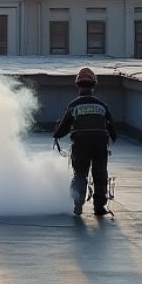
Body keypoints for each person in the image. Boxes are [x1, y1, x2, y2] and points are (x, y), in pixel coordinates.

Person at [52, 67, 117, 216]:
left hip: (80, 145)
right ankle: (99, 207)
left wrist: (56, 133)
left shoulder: (73, 106)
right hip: (100, 144)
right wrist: (112, 137)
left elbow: (62, 129)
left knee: (80, 174)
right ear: (93, 86)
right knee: (100, 174)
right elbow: (112, 129)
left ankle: (78, 204)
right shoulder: (102, 105)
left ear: (78, 86)